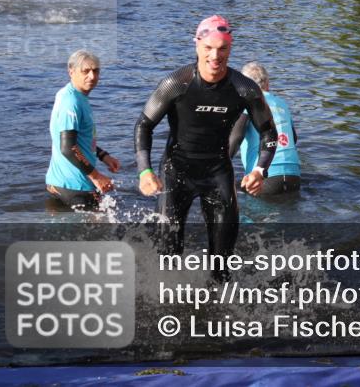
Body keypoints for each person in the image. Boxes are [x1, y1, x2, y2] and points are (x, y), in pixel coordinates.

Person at [134, 15, 276, 266]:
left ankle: (218, 299)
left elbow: (269, 133)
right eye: (208, 48)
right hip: (176, 171)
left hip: (217, 172)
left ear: (230, 48)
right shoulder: (176, 83)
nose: (215, 56)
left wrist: (259, 171)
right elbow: (144, 125)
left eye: (222, 48)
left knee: (222, 262)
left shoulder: (245, 89)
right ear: (196, 45)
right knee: (168, 257)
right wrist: (145, 171)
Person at [46, 50, 121, 210]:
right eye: (85, 71)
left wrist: (103, 156)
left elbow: (79, 139)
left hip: (58, 183)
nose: (92, 76)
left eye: (96, 71)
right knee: (101, 232)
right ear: (71, 72)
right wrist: (96, 177)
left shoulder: (72, 95)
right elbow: (68, 148)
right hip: (75, 186)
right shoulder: (71, 102)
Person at [229, 63, 301, 195]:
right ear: (267, 82)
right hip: (293, 176)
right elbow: (294, 139)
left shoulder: (247, 102)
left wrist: (219, 167)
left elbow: (236, 137)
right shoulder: (282, 104)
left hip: (264, 177)